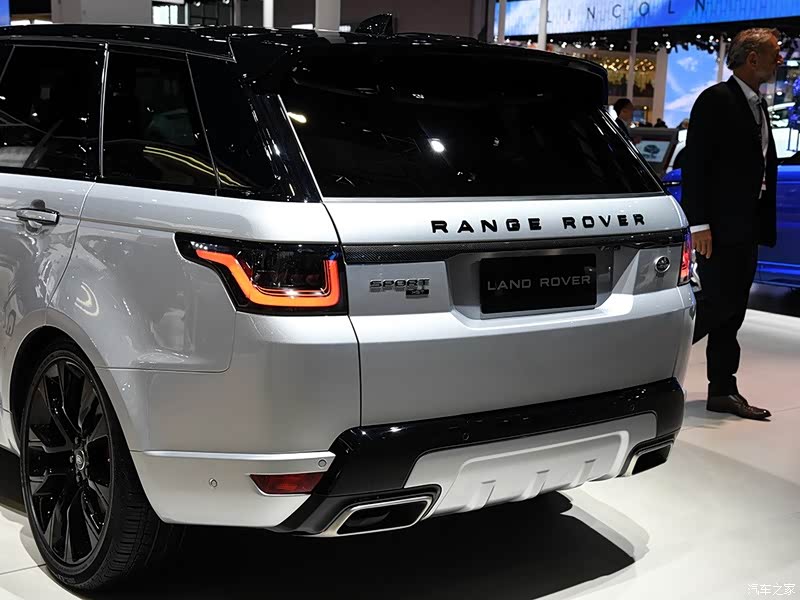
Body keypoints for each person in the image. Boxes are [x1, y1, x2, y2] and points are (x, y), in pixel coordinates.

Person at [682, 28, 782, 420]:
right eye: (774, 53)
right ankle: (642, 366)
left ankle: (723, 389)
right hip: (719, 228)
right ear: (752, 58)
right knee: (716, 304)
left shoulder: (757, 104)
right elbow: (696, 165)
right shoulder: (716, 100)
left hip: (747, 225)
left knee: (734, 309)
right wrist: (699, 224)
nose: (780, 60)